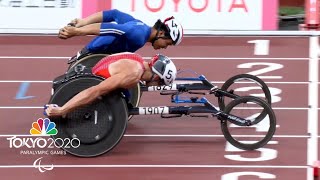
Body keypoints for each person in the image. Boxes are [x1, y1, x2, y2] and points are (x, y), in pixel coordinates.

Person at [44, 52, 177, 117]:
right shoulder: (134, 74)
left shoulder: (137, 59)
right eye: (159, 82)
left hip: (96, 71)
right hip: (93, 81)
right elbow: (96, 91)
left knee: (126, 95)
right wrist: (62, 110)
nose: (155, 84)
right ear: (156, 76)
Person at [58, 9, 183, 62]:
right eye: (168, 43)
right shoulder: (139, 34)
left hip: (99, 54)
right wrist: (77, 32)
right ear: (161, 33)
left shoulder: (141, 26)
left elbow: (114, 14)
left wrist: (83, 21)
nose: (165, 47)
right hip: (93, 55)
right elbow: (112, 28)